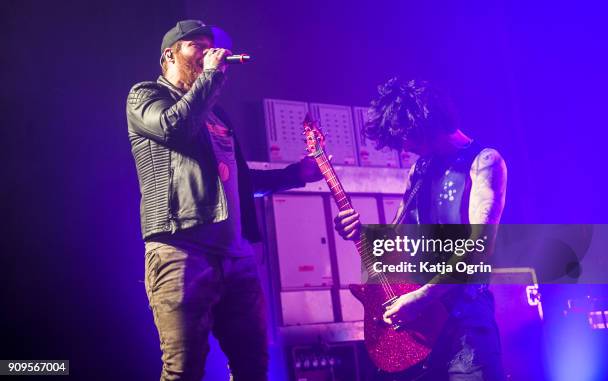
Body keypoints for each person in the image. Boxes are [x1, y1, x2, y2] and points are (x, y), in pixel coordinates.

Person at [126, 19, 321, 381]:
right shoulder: (145, 97)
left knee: (253, 365)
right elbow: (175, 128)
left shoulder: (216, 113)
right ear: (169, 55)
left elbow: (241, 183)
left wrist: (296, 174)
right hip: (181, 250)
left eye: (210, 46)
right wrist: (211, 77)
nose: (208, 52)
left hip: (236, 257)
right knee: (184, 369)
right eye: (196, 46)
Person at [334, 78, 508, 381]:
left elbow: (479, 246)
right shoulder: (420, 170)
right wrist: (359, 233)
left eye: (405, 136)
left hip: (465, 319)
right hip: (424, 326)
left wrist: (423, 297)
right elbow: (397, 243)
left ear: (421, 123)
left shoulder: (484, 162)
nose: (404, 146)